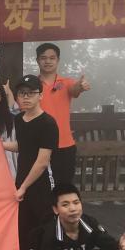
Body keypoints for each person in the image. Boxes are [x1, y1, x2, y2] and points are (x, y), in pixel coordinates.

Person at [2, 74, 59, 250]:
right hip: (22, 185)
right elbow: (23, 146)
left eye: (30, 93)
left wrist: (24, 187)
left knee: (44, 234)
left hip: (40, 186)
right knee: (22, 233)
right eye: (21, 94)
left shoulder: (48, 123)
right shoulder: (19, 119)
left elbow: (42, 161)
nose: (25, 98)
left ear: (40, 95)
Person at [36, 43, 91, 184]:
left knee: (64, 187)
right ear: (37, 60)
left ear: (58, 60)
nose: (48, 61)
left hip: (65, 145)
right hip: (39, 146)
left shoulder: (66, 83)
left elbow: (74, 90)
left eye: (52, 58)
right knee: (40, 188)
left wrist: (80, 86)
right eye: (43, 58)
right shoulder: (32, 84)